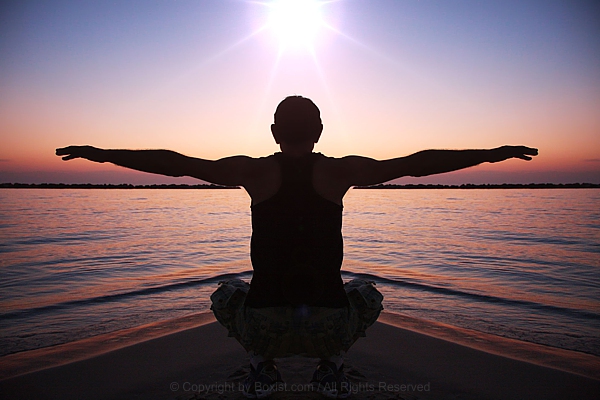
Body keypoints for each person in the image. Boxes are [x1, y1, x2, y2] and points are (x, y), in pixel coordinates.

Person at [56, 95, 537, 399]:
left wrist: (98, 153)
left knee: (224, 291)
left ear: (273, 133)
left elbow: (175, 163)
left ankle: (262, 368)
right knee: (368, 291)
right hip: (327, 326)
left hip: (264, 326)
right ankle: (330, 367)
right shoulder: (341, 171)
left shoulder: (252, 171)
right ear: (321, 132)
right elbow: (418, 163)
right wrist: (495, 153)